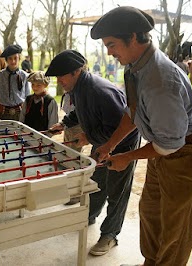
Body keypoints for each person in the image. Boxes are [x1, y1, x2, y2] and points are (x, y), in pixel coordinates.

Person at [91, 6, 192, 265]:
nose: (109, 52)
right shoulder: (135, 67)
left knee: (175, 227)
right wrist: (110, 145)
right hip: (164, 150)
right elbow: (133, 112)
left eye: (112, 44)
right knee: (151, 213)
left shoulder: (159, 79)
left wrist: (127, 157)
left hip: (187, 153)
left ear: (134, 37)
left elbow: (170, 144)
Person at [47, 50, 140, 256]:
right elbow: (79, 111)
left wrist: (89, 137)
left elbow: (120, 127)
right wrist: (63, 124)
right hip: (103, 142)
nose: (59, 80)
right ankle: (88, 215)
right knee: (96, 183)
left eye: (62, 75)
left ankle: (110, 235)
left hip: (122, 144)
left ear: (76, 72)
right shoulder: (78, 88)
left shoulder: (100, 91)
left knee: (117, 191)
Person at [0, 44, 31, 121]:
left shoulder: (25, 76)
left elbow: (28, 95)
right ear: (6, 60)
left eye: (15, 58)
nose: (13, 61)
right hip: (4, 112)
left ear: (19, 58)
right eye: (10, 58)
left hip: (20, 111)